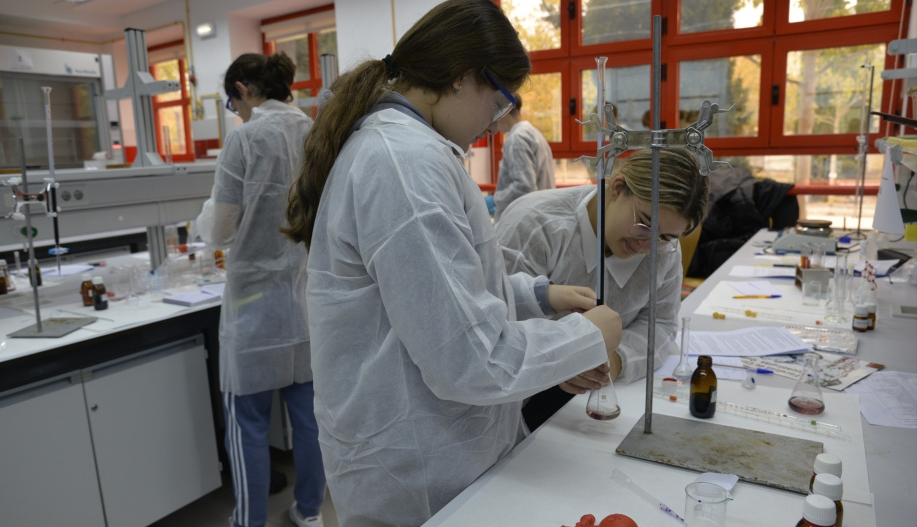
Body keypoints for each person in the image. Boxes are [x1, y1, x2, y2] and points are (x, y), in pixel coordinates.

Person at [282, 1, 622, 525]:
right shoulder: (403, 163)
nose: (495, 122)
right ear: (464, 77)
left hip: (440, 448)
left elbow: (443, 287)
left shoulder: (413, 150)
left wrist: (536, 296)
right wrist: (584, 336)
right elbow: (469, 360)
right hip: (415, 471)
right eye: (501, 99)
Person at [192, 52, 326, 527]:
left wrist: (202, 221)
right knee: (310, 420)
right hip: (307, 302)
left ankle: (249, 522)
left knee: (247, 422)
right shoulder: (316, 134)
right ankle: (310, 512)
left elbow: (221, 228)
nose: (237, 112)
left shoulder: (245, 138)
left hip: (253, 307)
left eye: (233, 103)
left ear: (245, 90)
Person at [494, 149, 711, 431]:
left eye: (666, 237)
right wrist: (563, 355)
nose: (648, 245)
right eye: (644, 225)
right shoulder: (536, 223)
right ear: (617, 188)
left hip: (587, 404)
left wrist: (614, 359)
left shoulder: (664, 250)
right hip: (513, 404)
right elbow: (496, 326)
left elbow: (660, 323)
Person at [486, 92, 555, 220]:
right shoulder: (532, 133)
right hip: (540, 216)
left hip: (526, 220)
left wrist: (496, 200)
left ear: (504, 111)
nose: (492, 123)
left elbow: (524, 186)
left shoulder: (517, 139)